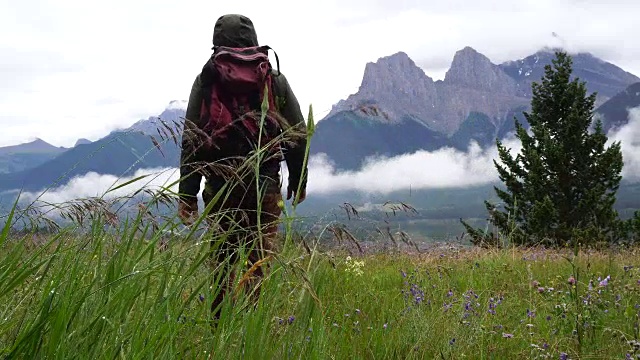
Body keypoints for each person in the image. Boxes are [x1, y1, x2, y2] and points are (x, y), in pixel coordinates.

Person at [176, 14, 308, 318]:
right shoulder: (273, 79)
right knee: (257, 262)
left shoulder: (207, 79)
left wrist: (187, 196)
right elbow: (297, 135)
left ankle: (218, 328)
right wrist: (298, 182)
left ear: (216, 44)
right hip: (265, 187)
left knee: (222, 261)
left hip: (220, 185)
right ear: (253, 40)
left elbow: (191, 139)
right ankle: (251, 329)